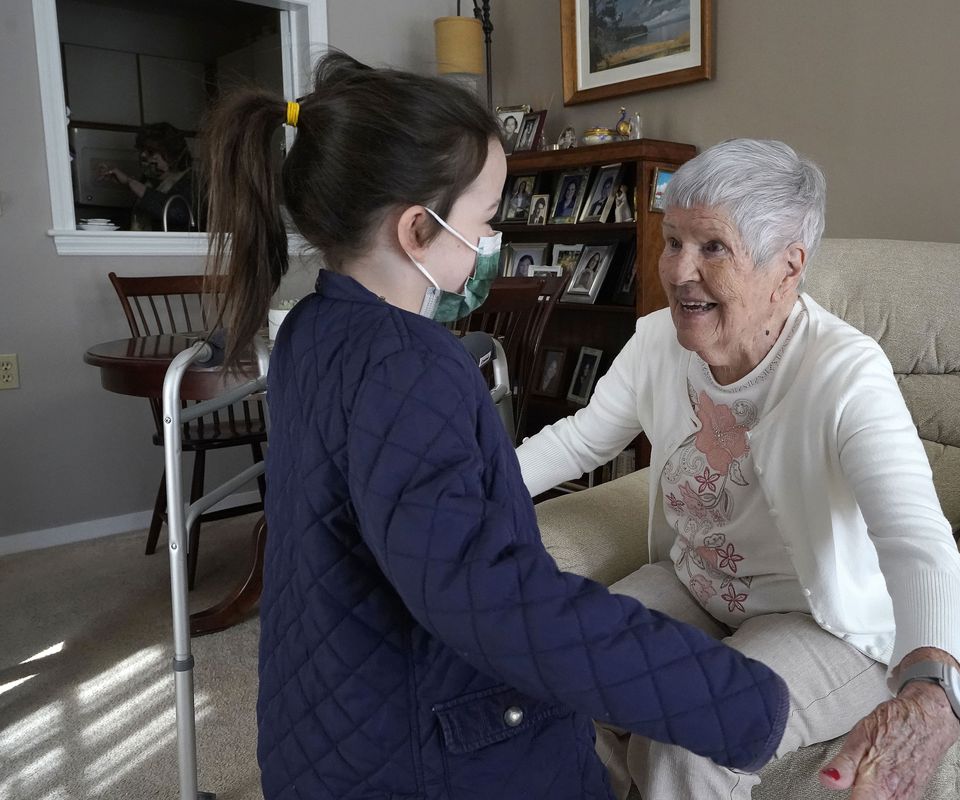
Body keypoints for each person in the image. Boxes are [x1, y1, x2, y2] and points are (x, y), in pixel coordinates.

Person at [201, 54, 790, 800]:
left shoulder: (311, 332)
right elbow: (493, 599)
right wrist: (736, 698)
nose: (493, 239)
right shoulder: (412, 365)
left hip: (325, 723)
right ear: (419, 228)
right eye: (485, 220)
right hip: (427, 754)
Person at [516, 138, 960, 800]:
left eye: (712, 248)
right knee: (562, 677)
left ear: (788, 267)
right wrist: (455, 495)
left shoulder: (845, 373)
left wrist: (933, 688)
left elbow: (914, 536)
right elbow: (578, 441)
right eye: (673, 240)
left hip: (821, 620)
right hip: (695, 584)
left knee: (690, 741)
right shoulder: (655, 345)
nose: (677, 271)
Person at [101, 122, 201, 231]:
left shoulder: (190, 181)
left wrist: (130, 182)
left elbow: (177, 213)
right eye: (142, 150)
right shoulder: (150, 180)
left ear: (169, 153)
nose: (144, 155)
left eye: (151, 152)